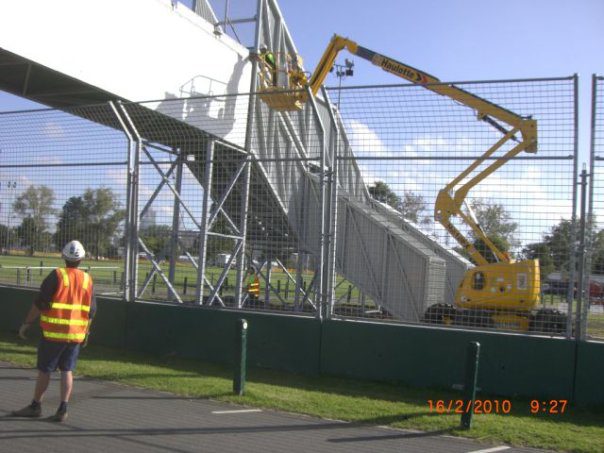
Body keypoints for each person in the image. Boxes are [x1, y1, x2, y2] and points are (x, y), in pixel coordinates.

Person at [12, 240, 96, 422]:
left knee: (45, 370)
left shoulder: (56, 275)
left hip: (53, 333)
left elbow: (40, 303)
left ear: (63, 256)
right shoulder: (87, 279)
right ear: (81, 259)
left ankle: (35, 406)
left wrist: (27, 323)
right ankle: (62, 409)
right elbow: (91, 311)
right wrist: (86, 332)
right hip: (75, 334)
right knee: (67, 370)